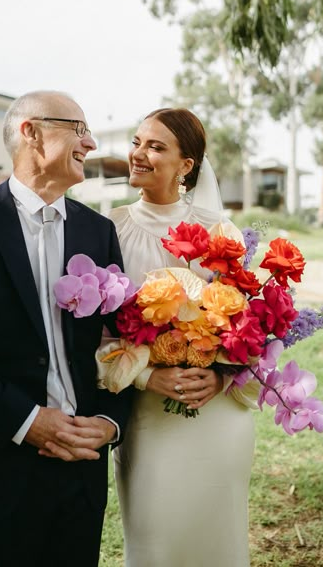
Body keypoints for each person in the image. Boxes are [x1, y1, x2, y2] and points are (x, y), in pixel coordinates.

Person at [0, 91, 133, 567]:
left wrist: (109, 422)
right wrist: (27, 421)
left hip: (80, 470)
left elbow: (121, 342)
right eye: (79, 129)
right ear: (29, 131)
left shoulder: (99, 232)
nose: (91, 142)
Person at [108, 108, 256, 567]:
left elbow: (250, 322)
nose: (138, 154)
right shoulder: (107, 227)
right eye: (136, 142)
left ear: (186, 166)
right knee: (155, 538)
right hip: (150, 416)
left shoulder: (219, 233)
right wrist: (146, 378)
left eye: (155, 146)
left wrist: (222, 378)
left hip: (216, 415)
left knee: (217, 536)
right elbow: (92, 331)